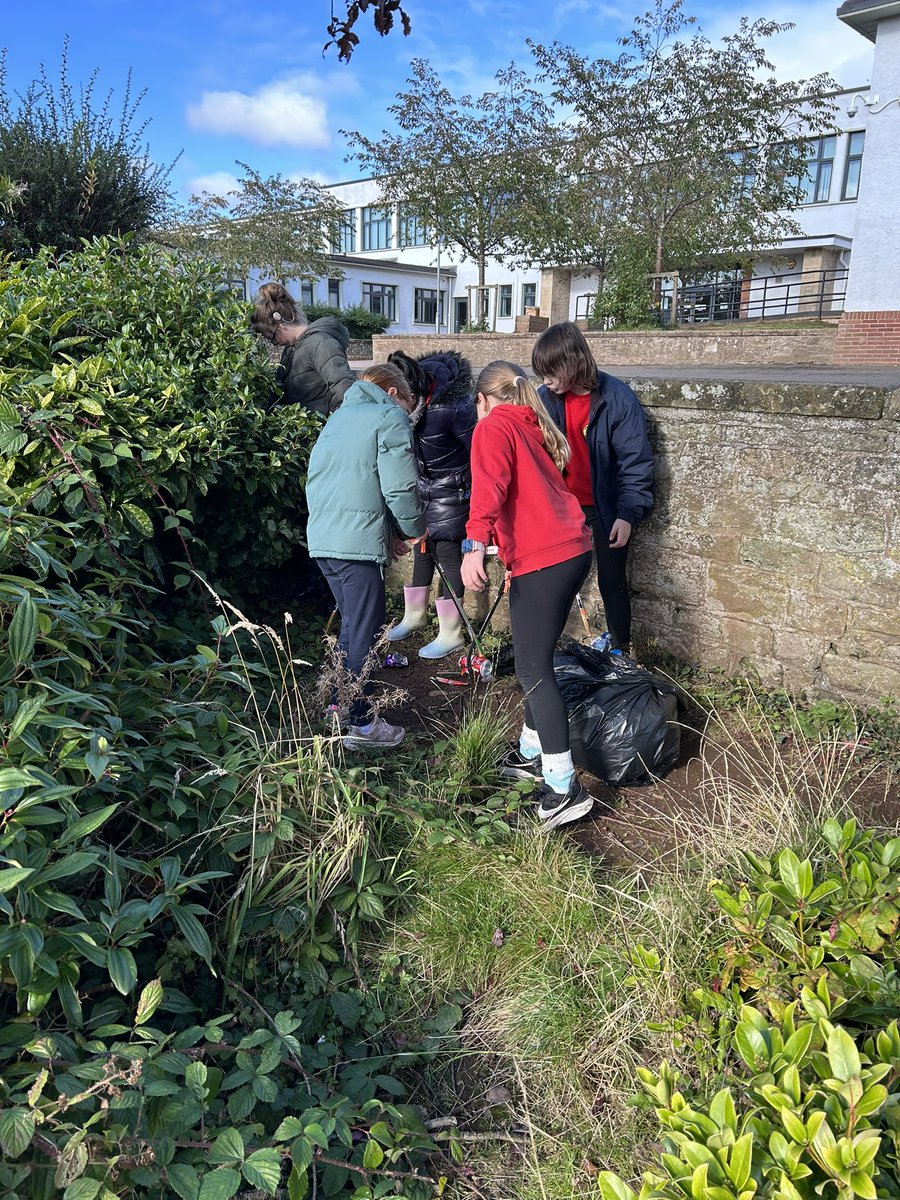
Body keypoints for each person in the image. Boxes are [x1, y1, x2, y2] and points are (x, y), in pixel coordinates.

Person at [461, 360, 595, 831]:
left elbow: (490, 487)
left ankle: (563, 788)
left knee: (533, 667)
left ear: (482, 399)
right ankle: (529, 754)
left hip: (548, 556)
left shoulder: (494, 426)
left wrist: (473, 545)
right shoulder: (532, 423)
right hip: (572, 550)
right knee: (533, 657)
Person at [306, 362, 426, 750]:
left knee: (353, 626)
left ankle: (338, 707)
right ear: (393, 393)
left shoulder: (338, 420)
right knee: (369, 631)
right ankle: (361, 726)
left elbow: (349, 485)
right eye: (410, 404)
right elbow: (399, 485)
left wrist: (385, 534)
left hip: (326, 540)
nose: (410, 413)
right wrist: (413, 528)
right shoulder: (388, 416)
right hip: (354, 545)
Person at [532, 321, 654, 654]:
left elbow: (636, 463)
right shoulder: (545, 399)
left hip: (607, 509)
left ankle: (619, 650)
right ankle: (546, 649)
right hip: (564, 510)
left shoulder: (618, 400)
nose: (544, 381)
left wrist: (628, 514)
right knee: (558, 581)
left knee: (612, 582)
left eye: (550, 373)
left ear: (569, 365)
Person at [384, 349, 477, 659]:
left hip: (454, 491)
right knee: (422, 548)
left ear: (413, 391)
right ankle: (414, 615)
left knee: (449, 551)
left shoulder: (451, 406)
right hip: (425, 488)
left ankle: (451, 632)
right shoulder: (414, 407)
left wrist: (473, 496)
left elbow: (477, 451)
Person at [251, 282, 355, 416]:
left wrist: (333, 431)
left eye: (272, 337)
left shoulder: (321, 344)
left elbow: (344, 390)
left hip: (321, 432)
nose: (275, 343)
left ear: (281, 324)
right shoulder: (291, 351)